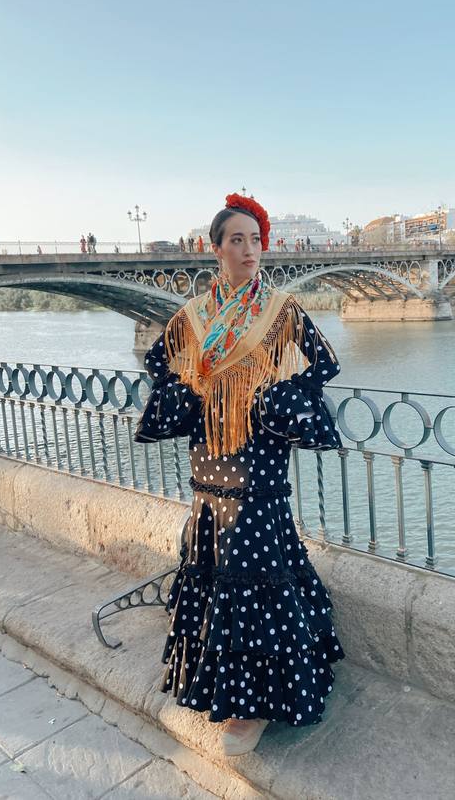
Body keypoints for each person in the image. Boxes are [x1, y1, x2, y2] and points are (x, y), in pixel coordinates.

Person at [134, 192, 345, 756]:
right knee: (215, 553)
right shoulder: (192, 316)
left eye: (256, 240)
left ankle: (253, 708)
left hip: (259, 454)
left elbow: (323, 364)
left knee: (257, 559)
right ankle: (225, 686)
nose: (250, 250)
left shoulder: (283, 310)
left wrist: (277, 397)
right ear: (216, 248)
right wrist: (195, 393)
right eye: (237, 240)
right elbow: (160, 363)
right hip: (210, 456)